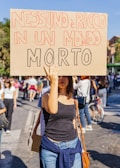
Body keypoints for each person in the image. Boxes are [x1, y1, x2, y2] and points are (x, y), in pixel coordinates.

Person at [33, 66, 82, 168]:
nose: (61, 79)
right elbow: (53, 110)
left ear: (69, 78)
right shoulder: (46, 97)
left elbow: (74, 122)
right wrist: (53, 81)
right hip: (51, 147)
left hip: (73, 145)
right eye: (59, 76)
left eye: (65, 76)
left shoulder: (73, 100)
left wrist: (81, 143)